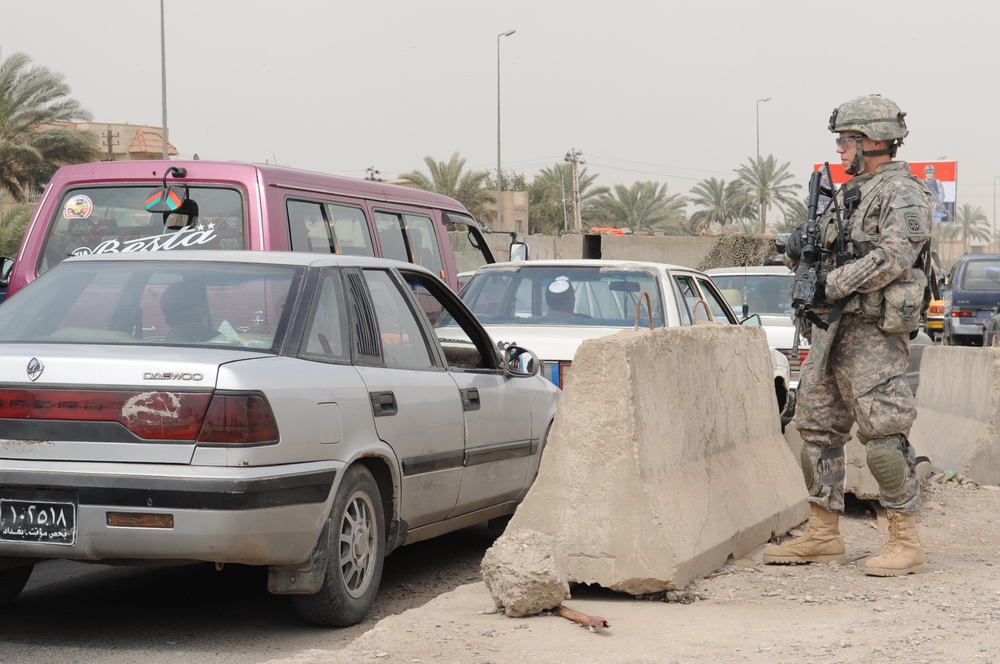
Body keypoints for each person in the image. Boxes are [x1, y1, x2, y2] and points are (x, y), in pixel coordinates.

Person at [766, 94, 932, 576]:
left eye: (847, 139)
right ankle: (823, 534)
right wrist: (796, 252)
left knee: (883, 433)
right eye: (840, 140)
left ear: (875, 140)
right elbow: (826, 252)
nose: (840, 148)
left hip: (872, 333)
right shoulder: (846, 192)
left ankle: (905, 539)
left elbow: (895, 255)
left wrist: (830, 283)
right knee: (816, 428)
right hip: (829, 327)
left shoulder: (901, 192)